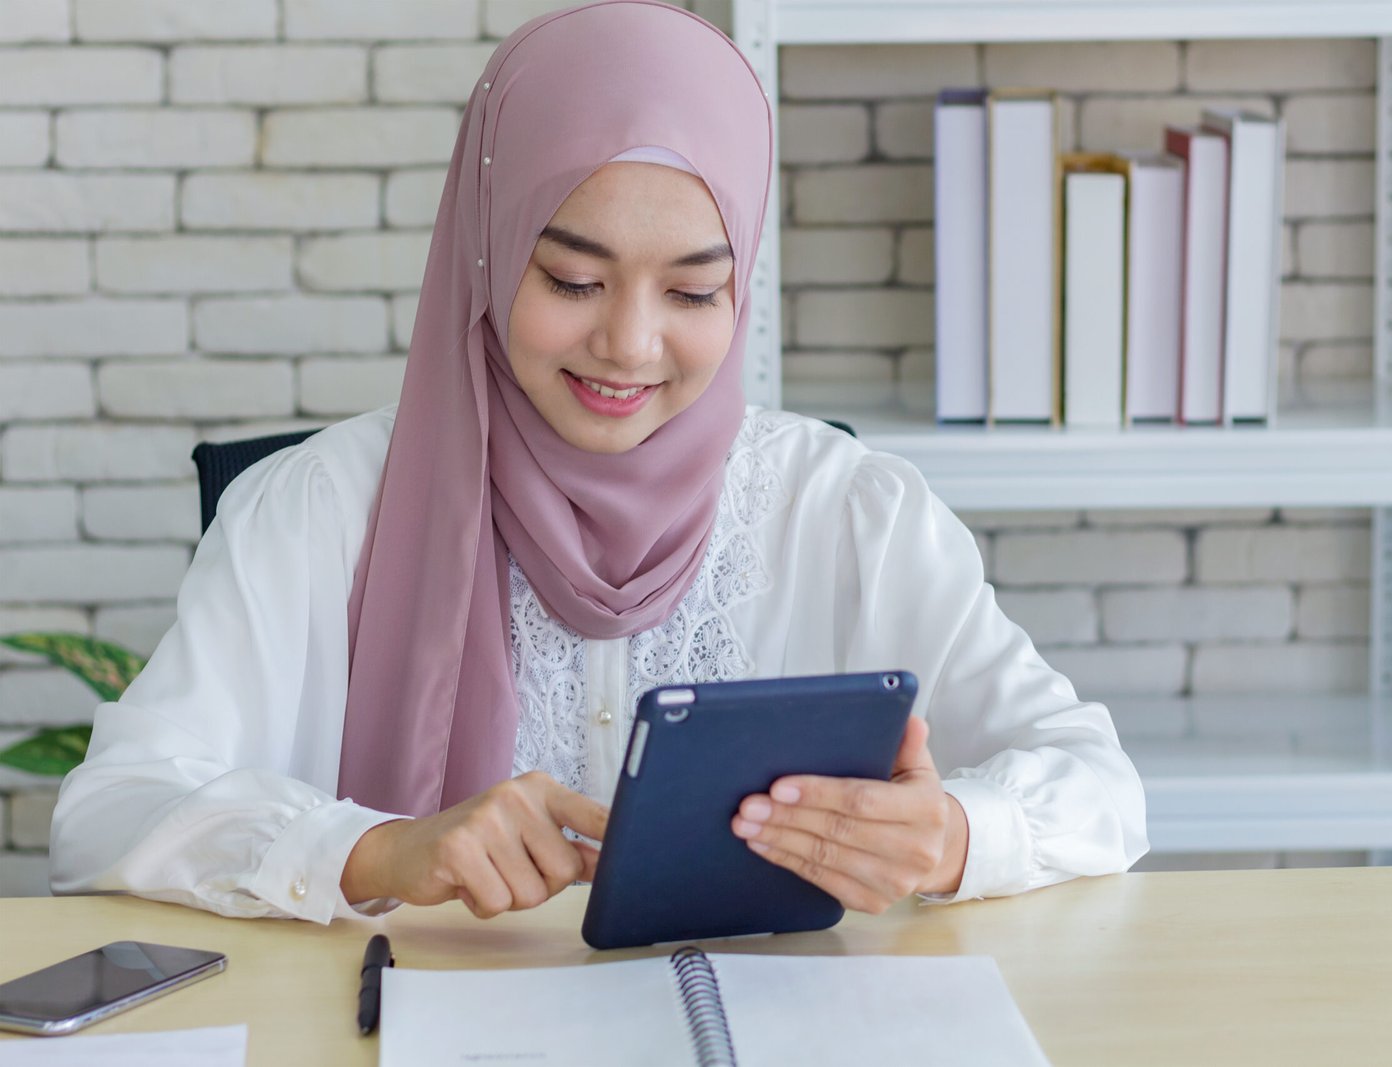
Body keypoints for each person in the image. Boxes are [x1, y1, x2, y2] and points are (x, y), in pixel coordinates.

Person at [49, 0, 1147, 924]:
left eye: (691, 290)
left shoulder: (848, 511)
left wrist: (954, 833)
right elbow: (109, 806)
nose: (628, 344)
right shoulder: (313, 511)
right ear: (486, 250)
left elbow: (1100, 786)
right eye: (573, 280)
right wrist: (373, 850)